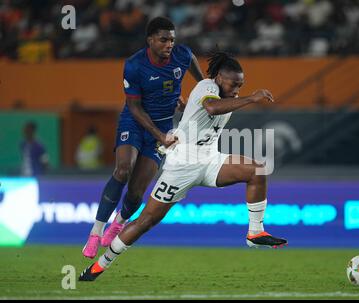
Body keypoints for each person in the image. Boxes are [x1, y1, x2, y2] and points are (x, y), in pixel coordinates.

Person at [79, 50, 287, 281]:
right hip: (182, 165)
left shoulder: (222, 94)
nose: (237, 90)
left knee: (257, 169)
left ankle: (255, 232)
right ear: (218, 77)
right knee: (146, 221)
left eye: (241, 85)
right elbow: (211, 108)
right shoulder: (208, 86)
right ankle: (99, 266)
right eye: (234, 84)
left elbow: (206, 111)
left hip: (209, 159)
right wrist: (250, 98)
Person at [82, 17, 204, 259]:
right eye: (164, 39)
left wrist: (203, 88)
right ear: (150, 40)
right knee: (123, 170)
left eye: (172, 39)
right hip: (136, 122)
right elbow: (135, 108)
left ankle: (120, 222)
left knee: (137, 191)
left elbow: (196, 72)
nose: (169, 44)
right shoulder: (134, 65)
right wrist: (160, 135)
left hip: (163, 126)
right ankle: (96, 232)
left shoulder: (183, 55)